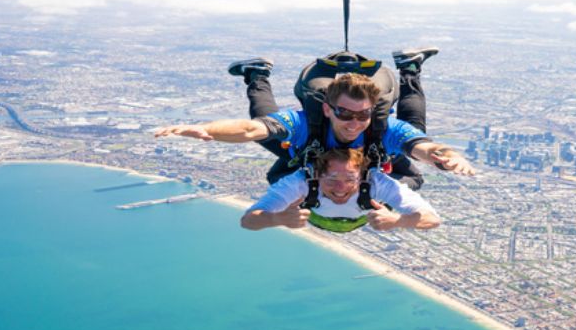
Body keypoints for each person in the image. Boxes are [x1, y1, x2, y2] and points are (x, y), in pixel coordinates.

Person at [154, 48, 474, 186]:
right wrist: (207, 129)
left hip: (373, 162)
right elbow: (250, 129)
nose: (353, 122)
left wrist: (448, 157)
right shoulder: (307, 123)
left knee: (414, 135)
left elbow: (424, 147)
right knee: (268, 124)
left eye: (362, 115)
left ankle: (409, 68)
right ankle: (256, 73)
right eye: (344, 113)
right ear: (326, 108)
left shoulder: (382, 126)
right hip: (307, 152)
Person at [240, 148, 440, 233]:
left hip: (327, 214)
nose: (340, 188)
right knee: (279, 176)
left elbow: (432, 219)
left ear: (362, 177)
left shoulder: (376, 183)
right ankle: (257, 76)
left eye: (350, 179)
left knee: (411, 167)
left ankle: (409, 73)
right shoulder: (300, 182)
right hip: (322, 209)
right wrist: (277, 219)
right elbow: (248, 221)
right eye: (332, 179)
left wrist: (399, 220)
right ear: (316, 175)